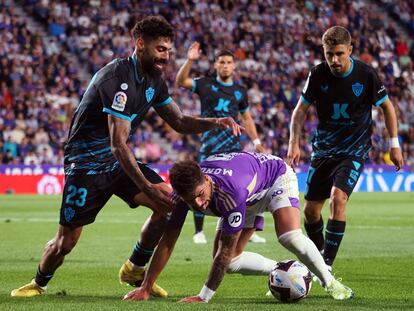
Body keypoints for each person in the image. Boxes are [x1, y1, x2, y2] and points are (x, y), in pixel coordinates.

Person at [11, 15, 242, 298]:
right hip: (86, 164)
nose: (166, 57)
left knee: (166, 203)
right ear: (141, 44)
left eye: (169, 50)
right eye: (160, 49)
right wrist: (146, 186)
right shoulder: (116, 78)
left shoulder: (155, 81)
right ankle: (39, 282)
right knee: (66, 241)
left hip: (117, 162)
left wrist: (215, 121)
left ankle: (134, 267)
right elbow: (118, 144)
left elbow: (179, 122)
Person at [123, 152, 354, 303]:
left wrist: (203, 297)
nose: (199, 205)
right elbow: (167, 241)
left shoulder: (228, 194)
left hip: (274, 177)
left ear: (206, 180)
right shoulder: (183, 196)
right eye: (190, 201)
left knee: (289, 237)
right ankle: (283, 269)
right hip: (248, 193)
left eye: (200, 196)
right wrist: (146, 286)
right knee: (231, 263)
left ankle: (329, 281)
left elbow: (224, 251)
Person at [287, 26, 404, 271]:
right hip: (323, 151)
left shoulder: (366, 75)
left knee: (337, 199)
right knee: (310, 212)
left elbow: (388, 107)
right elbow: (299, 111)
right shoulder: (317, 74)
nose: (334, 60)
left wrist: (395, 145)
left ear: (350, 50)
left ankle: (326, 265)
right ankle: (319, 255)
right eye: (329, 54)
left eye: (339, 53)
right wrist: (293, 142)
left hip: (354, 150)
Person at [175, 42, 266, 244]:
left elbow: (247, 118)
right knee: (200, 185)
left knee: (242, 187)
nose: (225, 65)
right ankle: (199, 231)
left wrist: (257, 141)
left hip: (233, 148)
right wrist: (190, 59)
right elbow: (181, 81)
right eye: (222, 62)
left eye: (229, 62)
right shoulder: (206, 84)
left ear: (234, 66)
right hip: (210, 146)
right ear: (216, 65)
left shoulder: (240, 91)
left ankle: (246, 227)